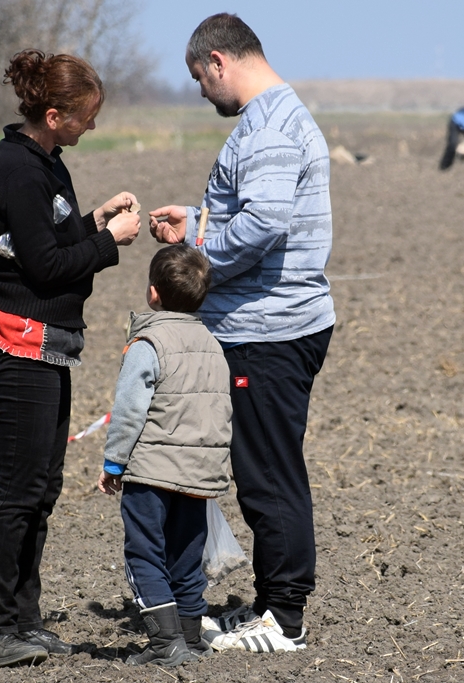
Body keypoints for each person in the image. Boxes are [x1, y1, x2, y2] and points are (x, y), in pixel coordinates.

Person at [148, 13, 335, 654]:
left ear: (219, 61)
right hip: (268, 324)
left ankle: (284, 620)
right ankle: (273, 604)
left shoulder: (270, 127)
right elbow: (251, 213)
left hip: (270, 330)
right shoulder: (273, 120)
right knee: (264, 469)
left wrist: (195, 255)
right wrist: (198, 223)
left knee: (267, 476)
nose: (202, 92)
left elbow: (263, 226)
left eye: (200, 78)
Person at [0, 48, 141, 668]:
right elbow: (44, 268)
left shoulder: (47, 162)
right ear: (53, 114)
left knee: (42, 488)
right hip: (17, 342)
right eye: (85, 118)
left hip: (47, 345)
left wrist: (95, 219)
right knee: (18, 490)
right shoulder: (19, 169)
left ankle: (24, 617)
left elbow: (51, 235)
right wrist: (108, 243)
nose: (91, 127)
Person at [97, 244, 232, 667]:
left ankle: (164, 644)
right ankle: (190, 638)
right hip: (199, 473)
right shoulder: (214, 344)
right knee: (186, 556)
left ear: (152, 294)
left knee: (144, 553)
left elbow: (129, 409)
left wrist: (114, 462)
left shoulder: (148, 342)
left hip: (152, 473)